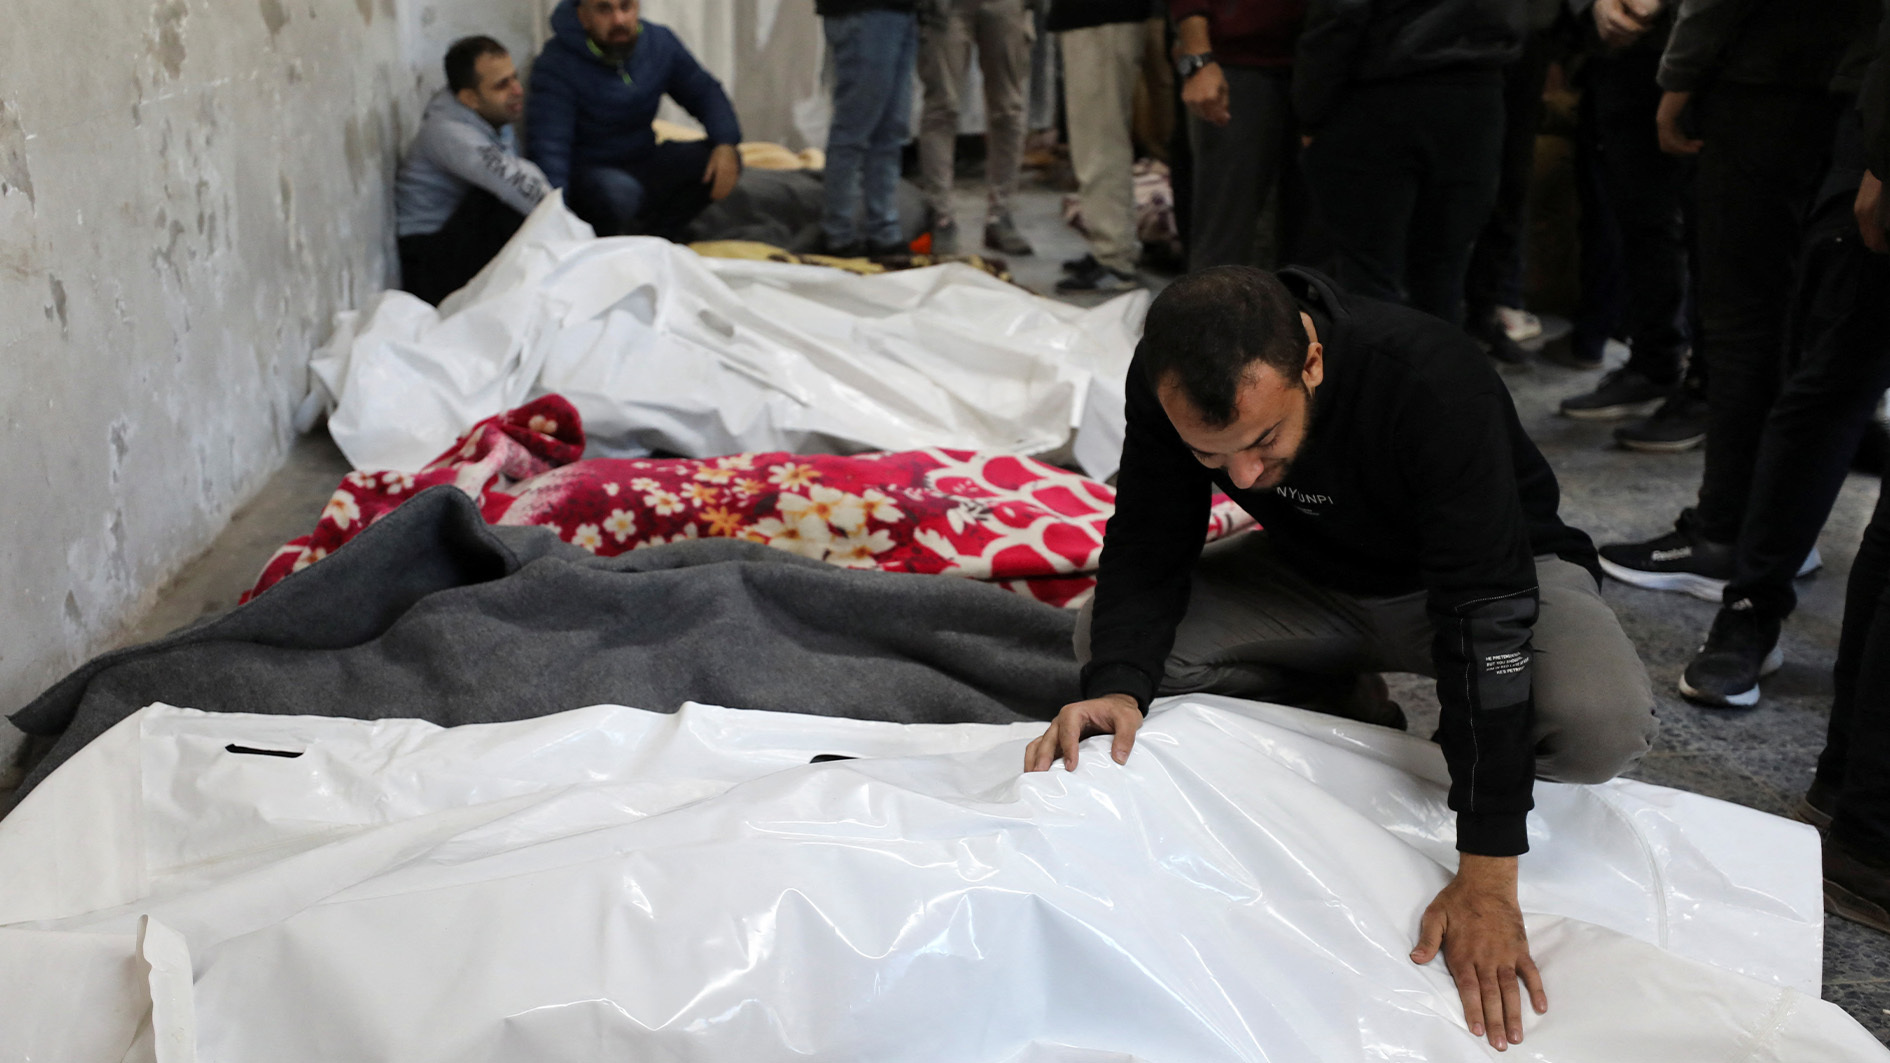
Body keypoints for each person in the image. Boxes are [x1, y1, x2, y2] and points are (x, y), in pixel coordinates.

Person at [1025, 266, 1656, 1052]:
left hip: (1490, 576)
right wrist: (1118, 685)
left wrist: (1489, 869)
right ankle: (1348, 704)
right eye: (1212, 455)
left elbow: (1485, 621)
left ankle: (1440, 745)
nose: (1243, 476)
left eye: (1263, 441)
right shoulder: (1167, 378)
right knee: (1110, 648)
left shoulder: (1429, 379)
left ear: (1312, 363)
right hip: (1316, 578)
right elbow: (1151, 537)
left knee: (1599, 725)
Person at [1595, 0, 1869, 707]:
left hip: (1779, 74)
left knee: (1769, 330)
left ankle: (1729, 538)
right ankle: (1757, 572)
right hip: (1847, 85)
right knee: (1819, 354)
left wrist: (1680, 73)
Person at [1293, 0, 1524, 325]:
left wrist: (1309, 108)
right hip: (1479, 92)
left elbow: (1340, 13)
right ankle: (1437, 358)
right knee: (1444, 275)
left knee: (1371, 278)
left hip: (1380, 90)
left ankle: (1382, 359)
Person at [1550, 0, 1699, 430]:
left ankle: (1707, 388)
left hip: (1707, 56)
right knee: (1640, 223)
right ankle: (1655, 363)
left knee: (1706, 229)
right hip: (1625, 56)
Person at [526, 0, 742, 239]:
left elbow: (704, 92)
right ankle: (618, 241)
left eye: (626, 7)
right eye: (604, 9)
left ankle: (658, 235)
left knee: (722, 159)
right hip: (592, 176)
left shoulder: (659, 43)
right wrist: (558, 221)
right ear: (583, 17)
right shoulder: (555, 63)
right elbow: (550, 148)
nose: (618, 20)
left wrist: (725, 142)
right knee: (618, 195)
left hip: (643, 160)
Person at [393, 37, 550, 307]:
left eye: (514, 78)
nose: (517, 90)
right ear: (470, 98)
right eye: (502, 85)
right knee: (502, 203)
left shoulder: (492, 116)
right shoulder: (448, 132)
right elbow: (513, 185)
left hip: (454, 244)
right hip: (428, 262)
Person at [1168, 0, 1308, 273]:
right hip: (1236, 60)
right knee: (1225, 235)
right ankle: (1211, 301)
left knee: (1317, 245)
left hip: (1328, 56)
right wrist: (1198, 57)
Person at [1463, 0, 1563, 365]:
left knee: (1510, 184)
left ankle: (1487, 311)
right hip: (1451, 38)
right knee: (1451, 187)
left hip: (1525, 36)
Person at [1048, 0, 1156, 292]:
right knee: (1097, 137)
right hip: (1095, 17)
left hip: (1100, 15)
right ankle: (1112, 248)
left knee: (1100, 140)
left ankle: (1115, 258)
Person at [918, 0, 1039, 256]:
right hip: (948, 6)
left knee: (1008, 109)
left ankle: (1001, 214)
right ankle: (941, 215)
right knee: (942, 107)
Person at [816, 0, 920, 257]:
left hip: (898, 11)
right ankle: (838, 233)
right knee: (855, 128)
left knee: (891, 130)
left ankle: (883, 231)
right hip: (864, 11)